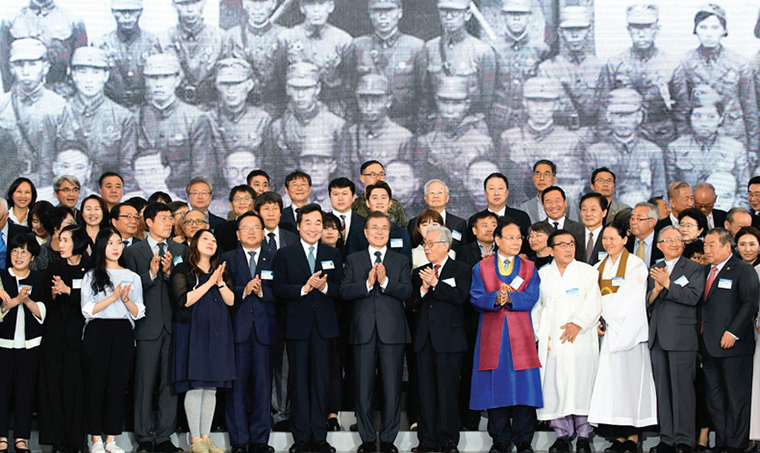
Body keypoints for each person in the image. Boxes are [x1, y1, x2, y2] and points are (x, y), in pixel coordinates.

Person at [272, 204, 343, 453]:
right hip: (297, 327)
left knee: (321, 381)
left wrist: (323, 287)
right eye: (308, 223)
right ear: (299, 226)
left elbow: (340, 289)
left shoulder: (332, 254)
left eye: (317, 223)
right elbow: (278, 288)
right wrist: (304, 288)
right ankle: (301, 438)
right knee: (299, 381)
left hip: (325, 328)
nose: (313, 228)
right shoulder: (284, 254)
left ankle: (320, 437)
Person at [341, 211, 412, 453]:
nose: (380, 232)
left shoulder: (400, 260)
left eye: (384, 228)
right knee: (363, 387)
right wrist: (368, 284)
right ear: (365, 232)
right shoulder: (354, 259)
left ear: (389, 233)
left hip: (392, 332)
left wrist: (385, 282)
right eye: (375, 228)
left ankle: (390, 440)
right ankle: (368, 440)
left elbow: (406, 292)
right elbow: (345, 291)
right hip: (362, 331)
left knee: (392, 387)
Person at [469, 217, 542, 453]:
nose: (516, 242)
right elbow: (475, 297)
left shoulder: (529, 268)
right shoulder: (481, 267)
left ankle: (523, 440)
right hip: (493, 335)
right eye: (510, 237)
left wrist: (510, 298)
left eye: (519, 237)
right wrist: (494, 299)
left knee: (524, 387)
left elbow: (531, 296)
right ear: (497, 239)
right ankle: (500, 439)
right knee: (495, 387)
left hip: (521, 335)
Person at [123, 202, 188, 453]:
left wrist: (170, 272)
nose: (169, 222)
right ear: (148, 222)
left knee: (169, 384)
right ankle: (143, 437)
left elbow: (183, 289)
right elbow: (128, 290)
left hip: (172, 325)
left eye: (171, 218)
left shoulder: (180, 249)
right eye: (163, 218)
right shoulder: (134, 252)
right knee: (143, 382)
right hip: (146, 326)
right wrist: (150, 275)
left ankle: (164, 436)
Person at [589, 221, 657, 453]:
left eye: (613, 238)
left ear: (624, 240)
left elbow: (633, 298)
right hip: (607, 333)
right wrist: (598, 319)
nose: (608, 243)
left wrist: (605, 313)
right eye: (605, 239)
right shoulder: (598, 267)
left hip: (629, 332)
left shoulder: (636, 265)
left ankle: (633, 436)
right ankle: (618, 436)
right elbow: (592, 299)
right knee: (612, 385)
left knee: (630, 384)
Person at [533, 229, 602, 453]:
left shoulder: (588, 272)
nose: (568, 248)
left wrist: (579, 323)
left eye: (571, 244)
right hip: (553, 340)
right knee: (555, 383)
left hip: (580, 338)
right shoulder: (542, 275)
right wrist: (541, 336)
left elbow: (594, 302)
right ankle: (562, 434)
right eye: (562, 245)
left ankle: (583, 434)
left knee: (581, 382)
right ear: (551, 250)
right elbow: (537, 308)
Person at [81, 227, 145, 453]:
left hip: (123, 333)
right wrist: (114, 297)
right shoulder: (91, 275)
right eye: (110, 243)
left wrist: (125, 300)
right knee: (95, 385)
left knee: (118, 387)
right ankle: (95, 439)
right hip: (98, 331)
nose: (116, 247)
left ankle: (111, 440)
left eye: (119, 243)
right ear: (101, 246)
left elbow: (138, 312)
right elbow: (88, 310)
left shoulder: (133, 277)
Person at [170, 230, 235, 453]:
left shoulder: (221, 270)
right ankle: (195, 439)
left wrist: (220, 281)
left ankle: (206, 437)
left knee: (211, 387)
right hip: (193, 330)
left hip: (218, 330)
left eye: (214, 240)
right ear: (195, 243)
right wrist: (209, 282)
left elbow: (231, 300)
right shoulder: (183, 269)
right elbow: (184, 300)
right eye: (206, 239)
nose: (211, 243)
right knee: (196, 385)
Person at [409, 225, 472, 453]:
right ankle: (426, 440)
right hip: (424, 340)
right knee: (425, 392)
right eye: (424, 244)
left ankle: (447, 441)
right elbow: (411, 304)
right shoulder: (419, 272)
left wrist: (436, 284)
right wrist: (424, 289)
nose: (426, 248)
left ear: (445, 245)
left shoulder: (462, 270)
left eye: (430, 244)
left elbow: (460, 297)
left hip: (450, 340)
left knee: (447, 392)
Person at [672, 4, 759, 161]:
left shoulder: (739, 63)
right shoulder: (685, 63)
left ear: (724, 30)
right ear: (695, 30)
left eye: (715, 28)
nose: (709, 34)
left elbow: (750, 107)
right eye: (703, 27)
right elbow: (682, 108)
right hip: (699, 135)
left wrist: (753, 146)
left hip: (733, 134)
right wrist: (684, 141)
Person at [221, 211, 277, 453]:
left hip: (265, 330)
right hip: (236, 330)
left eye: (256, 227)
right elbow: (221, 293)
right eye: (246, 228)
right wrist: (245, 290)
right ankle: (239, 440)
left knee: (263, 386)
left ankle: (260, 440)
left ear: (263, 233)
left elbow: (282, 292)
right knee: (237, 387)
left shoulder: (275, 257)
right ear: (237, 234)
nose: (252, 232)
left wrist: (263, 292)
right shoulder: (227, 259)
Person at [647, 226, 705, 453]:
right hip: (658, 338)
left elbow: (693, 297)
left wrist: (668, 284)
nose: (674, 243)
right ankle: (667, 438)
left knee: (683, 390)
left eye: (677, 239)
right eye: (668, 240)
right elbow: (648, 302)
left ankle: (684, 439)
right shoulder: (654, 268)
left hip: (682, 338)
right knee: (663, 391)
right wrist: (656, 290)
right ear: (659, 245)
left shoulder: (693, 268)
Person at [701, 228, 759, 453]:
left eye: (712, 244)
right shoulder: (706, 271)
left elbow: (749, 305)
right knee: (715, 398)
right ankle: (722, 442)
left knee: (736, 398)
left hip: (734, 346)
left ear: (727, 246)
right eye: (705, 245)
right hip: (708, 345)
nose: (707, 249)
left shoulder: (743, 270)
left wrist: (733, 332)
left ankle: (736, 445)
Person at [37, 224, 91, 453]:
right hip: (54, 336)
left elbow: (93, 301)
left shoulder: (90, 268)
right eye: (61, 240)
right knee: (53, 387)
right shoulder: (54, 267)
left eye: (67, 240)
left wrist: (69, 291)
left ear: (78, 242)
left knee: (75, 389)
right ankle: (56, 440)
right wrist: (52, 293)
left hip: (80, 338)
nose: (61, 245)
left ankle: (75, 441)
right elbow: (43, 300)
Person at [0, 38, 82, 184]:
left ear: (45, 67)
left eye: (33, 64)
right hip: (7, 183)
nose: (26, 71)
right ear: (11, 68)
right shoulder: (3, 105)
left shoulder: (58, 106)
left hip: (47, 182)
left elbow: (69, 150)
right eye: (19, 64)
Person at [596, 4, 677, 149]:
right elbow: (603, 105)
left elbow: (682, 109)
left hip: (662, 135)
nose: (641, 33)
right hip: (625, 135)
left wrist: (678, 144)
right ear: (628, 29)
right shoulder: (615, 63)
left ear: (657, 29)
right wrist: (606, 141)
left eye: (647, 27)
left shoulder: (671, 64)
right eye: (636, 27)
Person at [415, 76, 494, 216]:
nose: (450, 109)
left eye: (456, 103)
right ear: (437, 102)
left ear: (467, 103)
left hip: (473, 210)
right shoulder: (426, 142)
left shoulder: (483, 142)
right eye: (445, 102)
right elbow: (420, 183)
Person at [137, 53, 216, 194]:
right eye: (153, 78)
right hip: (146, 194)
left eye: (166, 77)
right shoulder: (137, 118)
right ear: (146, 81)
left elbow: (202, 171)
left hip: (183, 195)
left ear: (177, 80)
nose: (159, 84)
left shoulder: (195, 118)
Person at [253, 192, 298, 432]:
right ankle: (260, 411)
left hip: (289, 311)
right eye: (266, 208)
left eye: (275, 208)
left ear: (281, 212)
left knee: (285, 364)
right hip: (258, 310)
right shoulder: (251, 237)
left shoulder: (292, 238)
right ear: (258, 212)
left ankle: (281, 412)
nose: (271, 213)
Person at [503, 80, 583, 208]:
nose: (539, 108)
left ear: (556, 104)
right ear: (525, 103)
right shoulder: (509, 138)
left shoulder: (571, 140)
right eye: (534, 102)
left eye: (546, 102)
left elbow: (574, 187)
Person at [583, 88, 666, 206]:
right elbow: (589, 196)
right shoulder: (595, 153)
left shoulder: (652, 152)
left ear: (639, 116)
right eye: (617, 115)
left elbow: (659, 195)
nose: (623, 121)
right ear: (608, 117)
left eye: (628, 115)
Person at [0, 233, 44, 453]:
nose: (19, 255)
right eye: (15, 251)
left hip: (30, 345)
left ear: (33, 256)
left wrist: (27, 302)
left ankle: (21, 438)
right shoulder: (1, 277)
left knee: (25, 392)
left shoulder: (38, 279)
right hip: (3, 344)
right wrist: (15, 301)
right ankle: (1, 437)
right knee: (1, 391)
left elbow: (43, 312)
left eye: (24, 252)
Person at [353, 0, 425, 132]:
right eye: (377, 11)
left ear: (400, 13)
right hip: (367, 126)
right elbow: (350, 90)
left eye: (389, 11)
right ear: (370, 14)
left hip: (405, 124)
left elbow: (424, 95)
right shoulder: (359, 46)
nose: (383, 17)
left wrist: (419, 131)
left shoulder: (415, 47)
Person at [68, 47, 137, 186]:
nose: (89, 80)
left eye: (96, 73)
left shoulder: (122, 117)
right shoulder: (60, 112)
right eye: (82, 72)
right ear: (73, 75)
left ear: (105, 76)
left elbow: (127, 167)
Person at [665, 87, 749, 200]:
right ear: (689, 118)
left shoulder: (735, 148)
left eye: (711, 117)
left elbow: (744, 191)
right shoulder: (676, 148)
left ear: (720, 118)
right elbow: (670, 190)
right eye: (697, 116)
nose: (704, 123)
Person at [268, 62, 345, 182]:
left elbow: (342, 169)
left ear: (317, 88)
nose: (300, 95)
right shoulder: (278, 127)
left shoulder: (336, 125)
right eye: (295, 88)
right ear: (288, 89)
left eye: (307, 88)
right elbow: (272, 170)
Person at [423, 0, 496, 124]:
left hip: (470, 124)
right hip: (438, 124)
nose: (449, 17)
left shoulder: (482, 51)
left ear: (467, 15)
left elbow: (487, 97)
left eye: (455, 12)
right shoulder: (430, 48)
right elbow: (425, 92)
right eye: (444, 12)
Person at [279, 0, 354, 119]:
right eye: (310, 4)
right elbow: (279, 76)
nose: (316, 10)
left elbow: (349, 80)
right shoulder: (287, 38)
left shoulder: (343, 40)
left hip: (332, 108)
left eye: (321, 3)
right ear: (302, 7)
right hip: (296, 108)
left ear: (330, 6)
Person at [489, 0, 550, 135]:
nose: (516, 18)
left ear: (529, 16)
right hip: (500, 119)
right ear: (503, 16)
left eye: (521, 14)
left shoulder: (541, 49)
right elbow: (487, 90)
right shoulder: (492, 49)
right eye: (511, 14)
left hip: (529, 119)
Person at [0, 0, 87, 93]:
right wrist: (10, 89)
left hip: (59, 90)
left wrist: (71, 89)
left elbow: (81, 61)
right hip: (22, 91)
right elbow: (4, 61)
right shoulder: (11, 21)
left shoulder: (72, 21)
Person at [537, 6, 601, 130]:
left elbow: (605, 108)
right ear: (560, 32)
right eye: (569, 30)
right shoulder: (547, 69)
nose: (575, 35)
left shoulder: (600, 67)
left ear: (589, 31)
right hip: (560, 134)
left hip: (592, 133)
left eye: (580, 29)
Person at [339, 74, 415, 178]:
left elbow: (406, 179)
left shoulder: (402, 137)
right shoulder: (351, 133)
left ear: (388, 101)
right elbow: (345, 173)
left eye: (376, 100)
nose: (369, 107)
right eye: (364, 100)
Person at [221, 0, 287, 117]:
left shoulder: (284, 36)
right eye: (252, 2)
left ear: (273, 4)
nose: (257, 8)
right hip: (243, 111)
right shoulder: (232, 36)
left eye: (263, 2)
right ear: (244, 4)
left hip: (277, 110)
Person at [210, 58, 272, 174]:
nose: (231, 91)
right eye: (225, 84)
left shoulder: (262, 119)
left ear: (249, 85)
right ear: (217, 86)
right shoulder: (209, 119)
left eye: (237, 84)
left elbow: (269, 165)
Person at [158, 0, 224, 107]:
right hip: (176, 108)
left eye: (195, 3)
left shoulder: (220, 37)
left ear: (204, 3)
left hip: (212, 107)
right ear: (174, 5)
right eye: (184, 4)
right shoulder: (164, 39)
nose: (190, 9)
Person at [98, 0, 160, 109]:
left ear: (140, 11)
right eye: (121, 12)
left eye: (132, 11)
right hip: (112, 107)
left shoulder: (152, 43)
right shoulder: (102, 44)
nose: (127, 16)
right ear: (112, 11)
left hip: (145, 107)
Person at [464, 173, 531, 253]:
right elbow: (469, 248)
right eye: (492, 189)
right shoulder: (476, 219)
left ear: (507, 192)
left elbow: (528, 245)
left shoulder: (521, 217)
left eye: (500, 188)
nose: (496, 193)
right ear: (485, 193)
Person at [346, 182, 412, 260]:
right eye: (375, 198)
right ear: (367, 203)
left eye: (383, 197)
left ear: (390, 202)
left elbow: (406, 264)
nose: (379, 202)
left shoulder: (401, 233)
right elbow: (352, 262)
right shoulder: (356, 232)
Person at [407, 180, 467, 252]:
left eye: (440, 192)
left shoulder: (459, 223)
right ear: (426, 199)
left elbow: (464, 251)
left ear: (447, 198)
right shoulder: (414, 223)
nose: (436, 196)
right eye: (432, 193)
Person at [517, 160, 580, 225]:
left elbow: (575, 229)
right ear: (533, 179)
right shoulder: (525, 207)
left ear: (554, 179)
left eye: (546, 174)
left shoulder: (569, 203)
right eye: (538, 174)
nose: (541, 178)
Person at [351, 161, 408, 227]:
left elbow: (403, 230)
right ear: (362, 178)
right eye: (373, 175)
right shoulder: (355, 206)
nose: (378, 178)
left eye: (381, 174)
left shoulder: (394, 205)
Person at [537, 186, 584, 260]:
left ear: (565, 203)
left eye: (557, 201)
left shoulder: (580, 229)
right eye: (549, 202)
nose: (553, 205)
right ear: (543, 206)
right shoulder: (537, 230)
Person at [214, 185, 257, 253]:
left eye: (246, 198)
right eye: (237, 199)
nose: (242, 202)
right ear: (231, 205)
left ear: (254, 202)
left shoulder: (262, 225)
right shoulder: (221, 230)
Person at [31, 205, 73, 273]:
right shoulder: (41, 252)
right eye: (70, 223)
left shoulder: (78, 248)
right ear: (56, 226)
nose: (73, 226)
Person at [626, 202, 663, 267]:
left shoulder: (663, 243)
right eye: (632, 218)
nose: (633, 222)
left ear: (651, 222)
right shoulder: (624, 242)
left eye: (639, 219)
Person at [328, 178, 361, 247]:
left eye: (344, 194)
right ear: (330, 197)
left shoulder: (363, 223)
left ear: (353, 197)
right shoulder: (322, 222)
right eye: (336, 194)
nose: (340, 198)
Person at [579, 193, 608, 266]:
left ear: (604, 212)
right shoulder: (573, 235)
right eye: (584, 209)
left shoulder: (611, 237)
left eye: (593, 209)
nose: (588, 214)